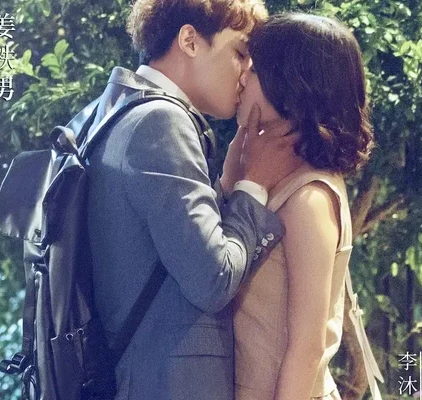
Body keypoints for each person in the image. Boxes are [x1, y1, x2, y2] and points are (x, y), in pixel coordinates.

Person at [84, 1, 299, 399]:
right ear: (190, 40)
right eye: (240, 53)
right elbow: (213, 279)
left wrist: (229, 185)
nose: (247, 72)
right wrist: (254, 184)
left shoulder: (113, 110)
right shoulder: (160, 122)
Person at [220, 13, 378, 400]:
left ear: (289, 87)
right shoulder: (264, 175)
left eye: (254, 69)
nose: (241, 77)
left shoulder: (309, 199)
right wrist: (234, 173)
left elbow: (307, 348)